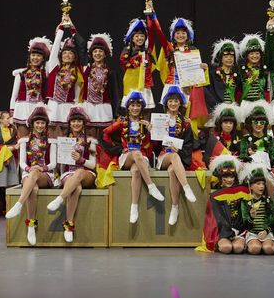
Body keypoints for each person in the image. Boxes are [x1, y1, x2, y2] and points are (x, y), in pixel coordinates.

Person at [101, 91, 163, 224]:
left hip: (142, 158)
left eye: (138, 105)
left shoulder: (145, 124)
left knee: (136, 171)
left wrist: (151, 132)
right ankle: (151, 186)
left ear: (142, 107)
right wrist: (118, 149)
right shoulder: (121, 122)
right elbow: (104, 134)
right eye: (132, 105)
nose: (135, 108)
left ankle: (134, 207)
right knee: (135, 153)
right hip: (127, 157)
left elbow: (153, 146)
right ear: (128, 107)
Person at [46, 107, 98, 243]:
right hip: (68, 173)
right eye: (74, 121)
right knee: (76, 188)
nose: (76, 124)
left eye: (79, 121)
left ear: (83, 123)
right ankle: (69, 226)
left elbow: (93, 165)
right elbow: (61, 167)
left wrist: (81, 160)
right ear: (69, 123)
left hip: (87, 173)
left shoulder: (91, 141)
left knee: (79, 172)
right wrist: (60, 158)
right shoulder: (64, 141)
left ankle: (60, 198)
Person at [6, 106, 56, 246]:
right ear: (33, 124)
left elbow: (53, 163)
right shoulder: (24, 141)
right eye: (37, 123)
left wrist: (41, 168)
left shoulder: (51, 141)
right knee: (33, 189)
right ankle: (31, 226)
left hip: (45, 175)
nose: (40, 125)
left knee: (34, 174)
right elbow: (22, 162)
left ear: (46, 125)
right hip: (29, 174)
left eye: (42, 123)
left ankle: (19, 204)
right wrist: (29, 168)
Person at [157, 85, 197, 226]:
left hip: (178, 157)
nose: (173, 104)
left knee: (172, 170)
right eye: (170, 101)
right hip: (163, 156)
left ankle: (175, 207)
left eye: (176, 101)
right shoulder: (160, 120)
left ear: (180, 103)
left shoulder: (185, 122)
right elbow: (154, 144)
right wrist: (151, 130)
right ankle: (186, 187)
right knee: (173, 157)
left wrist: (179, 150)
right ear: (166, 103)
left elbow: (189, 143)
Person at [46, 15, 86, 136]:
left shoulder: (77, 71)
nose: (67, 55)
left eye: (70, 53)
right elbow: (55, 46)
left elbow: (78, 93)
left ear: (74, 57)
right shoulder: (54, 66)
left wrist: (72, 29)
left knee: (66, 138)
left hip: (67, 107)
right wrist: (62, 28)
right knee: (52, 138)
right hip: (53, 107)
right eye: (65, 53)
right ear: (61, 55)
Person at [81, 33, 121, 139]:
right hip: (89, 108)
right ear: (91, 54)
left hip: (104, 109)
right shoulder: (86, 70)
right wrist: (73, 31)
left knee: (104, 139)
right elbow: (80, 46)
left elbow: (115, 94)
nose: (97, 53)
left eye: (100, 51)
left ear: (105, 54)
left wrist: (116, 113)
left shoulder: (110, 72)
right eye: (95, 51)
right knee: (89, 138)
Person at [10, 36, 52, 138]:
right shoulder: (21, 73)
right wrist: (12, 112)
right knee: (23, 141)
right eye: (33, 55)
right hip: (22, 109)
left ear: (43, 58)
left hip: (38, 109)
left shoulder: (45, 74)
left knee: (39, 140)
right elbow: (14, 95)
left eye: (38, 55)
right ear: (29, 57)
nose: (35, 58)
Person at [208, 154, 246, 254]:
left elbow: (242, 216)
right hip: (223, 232)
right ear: (221, 178)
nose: (229, 180)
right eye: (226, 176)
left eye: (231, 177)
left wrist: (237, 230)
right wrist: (229, 232)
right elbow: (218, 218)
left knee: (238, 248)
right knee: (226, 248)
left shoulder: (241, 193)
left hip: (238, 231)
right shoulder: (215, 196)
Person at [120, 18, 156, 111]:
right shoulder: (127, 51)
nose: (140, 38)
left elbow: (152, 34)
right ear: (132, 38)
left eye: (142, 36)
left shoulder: (147, 52)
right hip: (131, 84)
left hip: (144, 85)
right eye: (137, 36)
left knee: (146, 111)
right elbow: (124, 64)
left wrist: (150, 18)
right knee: (131, 110)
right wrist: (137, 57)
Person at [241, 163, 274, 255]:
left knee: (268, 249)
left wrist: (266, 231)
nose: (262, 186)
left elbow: (273, 220)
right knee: (255, 249)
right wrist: (251, 217)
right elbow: (244, 224)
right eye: (258, 184)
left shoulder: (267, 201)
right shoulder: (245, 202)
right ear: (251, 186)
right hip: (252, 233)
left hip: (266, 232)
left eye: (263, 184)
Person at [239, 101, 274, 173]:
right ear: (251, 123)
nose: (259, 125)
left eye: (262, 122)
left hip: (266, 170)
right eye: (256, 122)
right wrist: (250, 156)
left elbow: (273, 158)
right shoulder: (246, 139)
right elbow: (242, 156)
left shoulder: (269, 139)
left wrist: (261, 155)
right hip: (250, 171)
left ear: (265, 124)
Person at [205, 39, 240, 111]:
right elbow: (208, 93)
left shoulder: (237, 76)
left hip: (234, 109)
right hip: (217, 109)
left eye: (231, 57)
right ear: (221, 59)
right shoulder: (213, 75)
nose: (229, 59)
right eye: (226, 57)